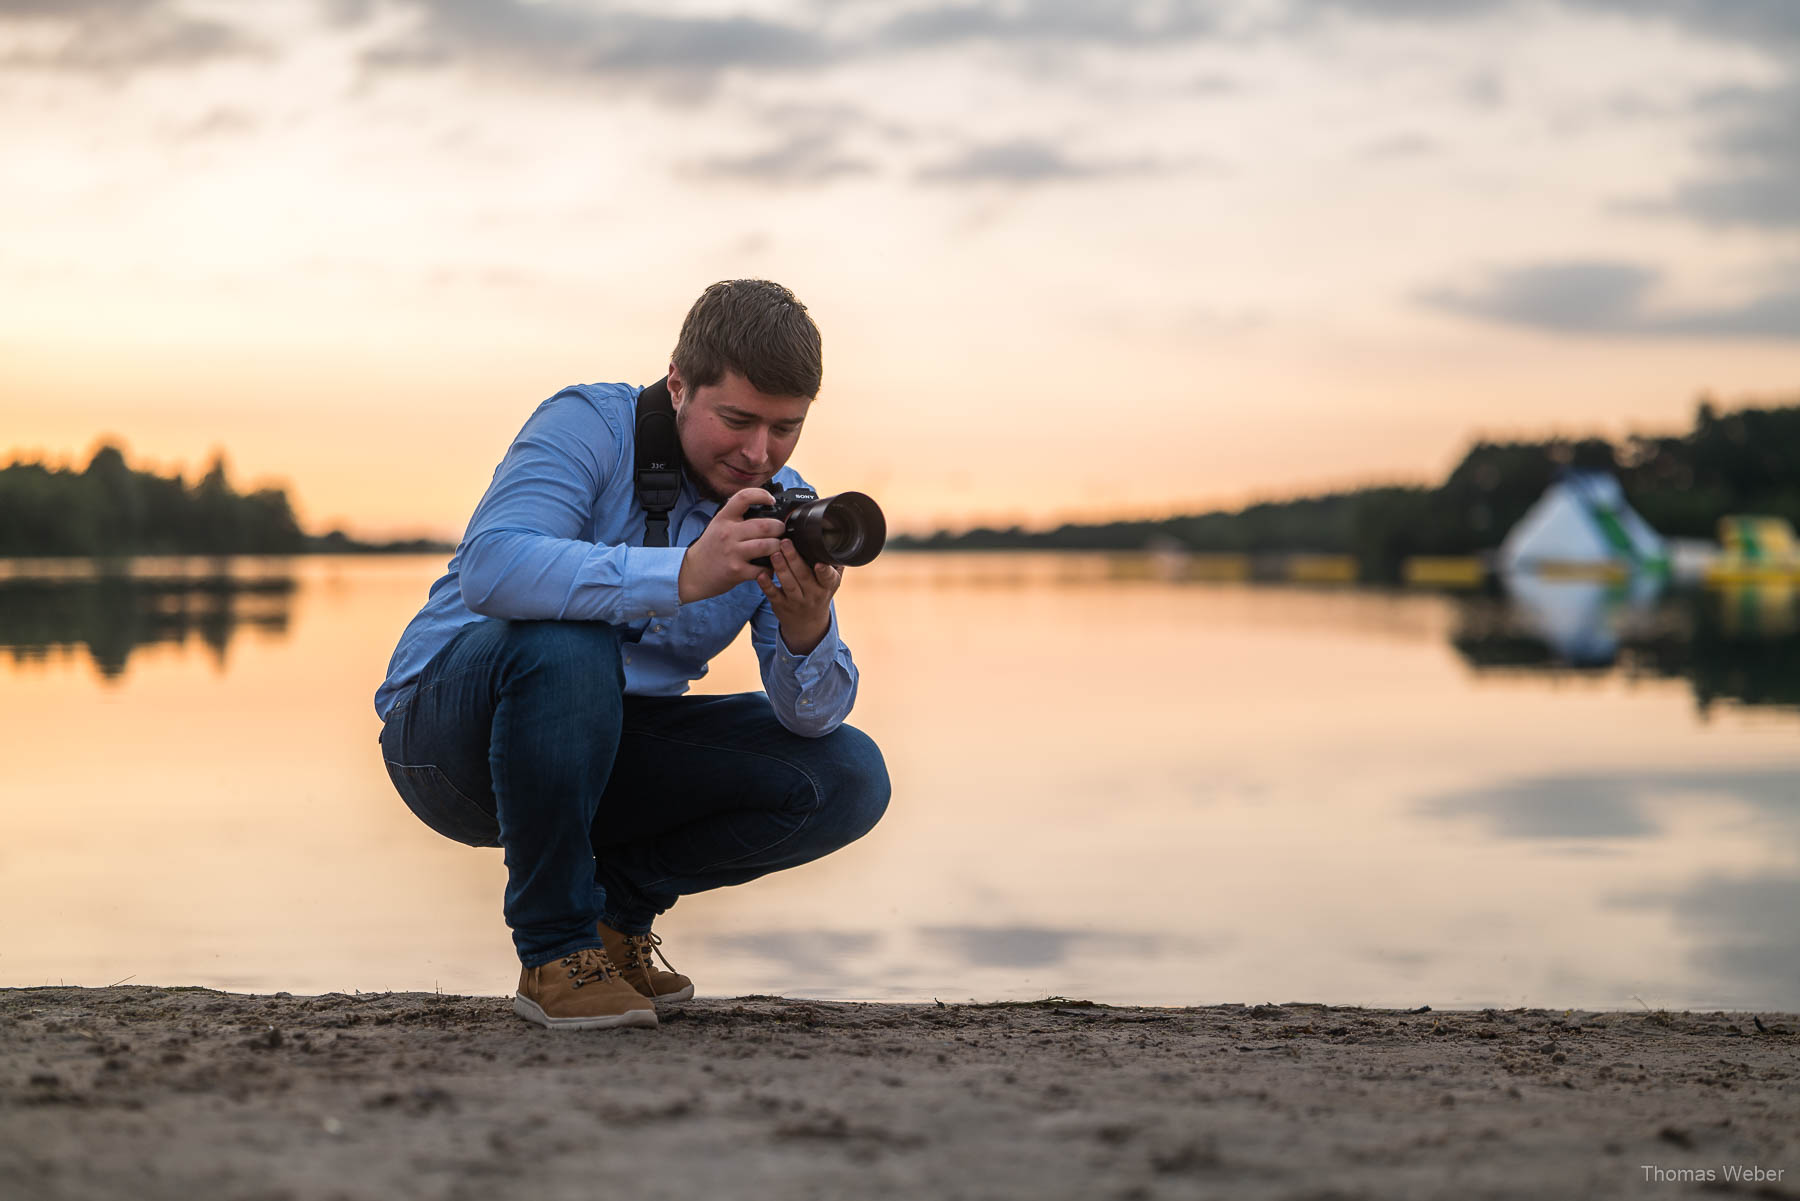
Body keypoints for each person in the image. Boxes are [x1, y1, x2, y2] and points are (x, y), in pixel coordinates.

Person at [373, 279, 890, 1031]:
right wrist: (681, 574)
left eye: (785, 428)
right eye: (738, 420)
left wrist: (809, 626)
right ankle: (554, 953)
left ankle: (614, 923)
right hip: (448, 744)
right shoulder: (590, 424)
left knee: (846, 772)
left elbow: (809, 719)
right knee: (568, 632)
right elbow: (493, 566)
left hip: (601, 747)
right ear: (679, 384)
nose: (758, 453)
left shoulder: (776, 505)